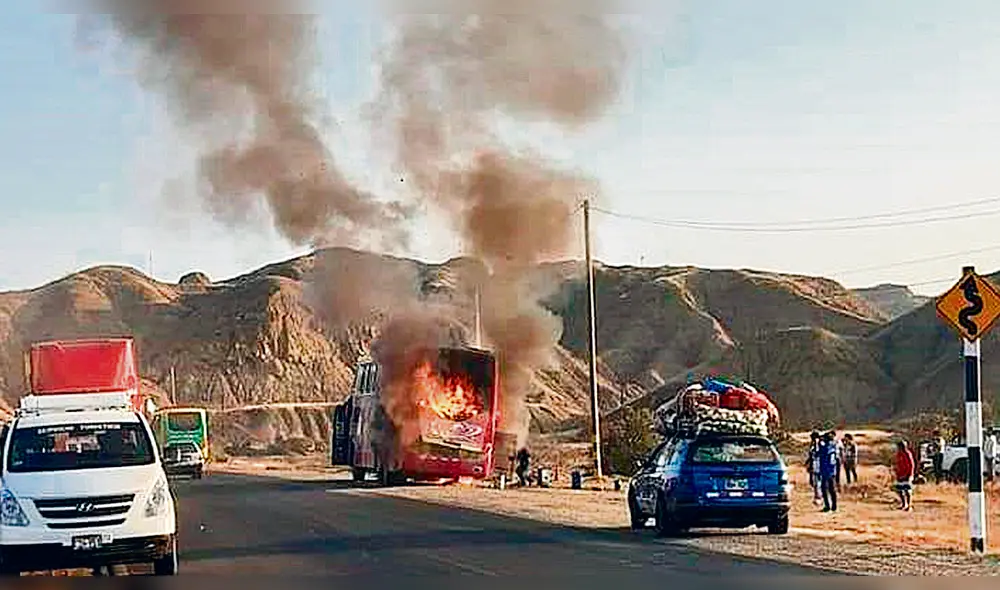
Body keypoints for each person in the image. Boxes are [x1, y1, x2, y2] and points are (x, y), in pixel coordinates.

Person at [819, 432, 839, 512]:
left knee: (824, 489)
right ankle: (834, 506)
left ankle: (827, 506)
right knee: (832, 489)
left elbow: (820, 453)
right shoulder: (833, 447)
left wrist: (819, 443)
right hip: (832, 470)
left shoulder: (825, 448)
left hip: (825, 471)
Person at [894, 440, 916, 511]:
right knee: (900, 490)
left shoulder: (907, 454)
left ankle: (909, 505)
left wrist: (910, 474)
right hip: (900, 474)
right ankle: (904, 504)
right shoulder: (899, 454)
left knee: (907, 490)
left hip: (907, 475)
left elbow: (911, 465)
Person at [806, 431, 822, 505]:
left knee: (817, 482)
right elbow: (811, 455)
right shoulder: (812, 445)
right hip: (813, 465)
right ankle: (817, 496)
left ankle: (818, 497)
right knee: (813, 482)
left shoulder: (819, 444)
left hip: (818, 465)